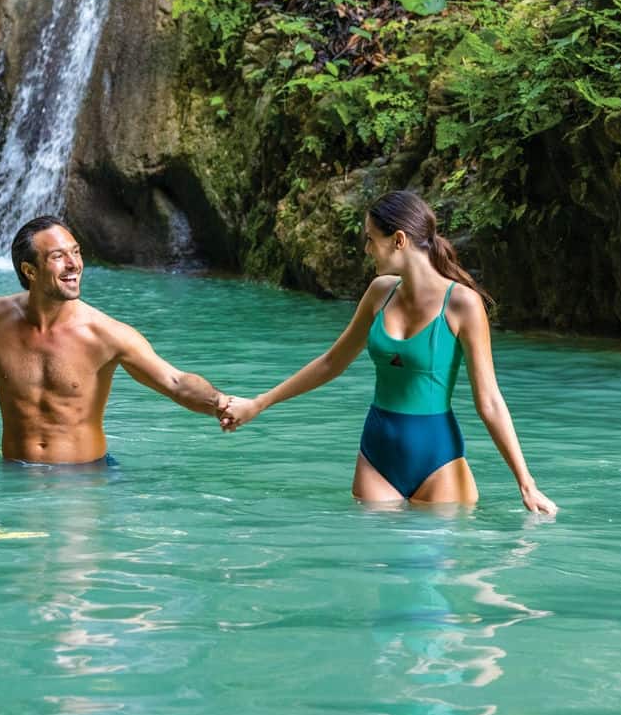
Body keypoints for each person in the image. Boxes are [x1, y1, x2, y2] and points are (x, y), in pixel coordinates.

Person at [219, 191, 557, 514]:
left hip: (438, 459)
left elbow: (490, 402)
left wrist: (526, 484)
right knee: (378, 565)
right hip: (377, 455)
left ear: (398, 240)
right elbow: (331, 363)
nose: (366, 249)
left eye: (370, 239)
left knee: (433, 570)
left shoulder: (463, 304)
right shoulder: (379, 292)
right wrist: (259, 403)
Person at [0, 216, 241, 464]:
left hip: (83, 480)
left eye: (76, 252)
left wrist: (219, 403)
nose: (74, 264)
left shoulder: (105, 334)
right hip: (14, 474)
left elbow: (173, 381)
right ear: (30, 270)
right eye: (58, 256)